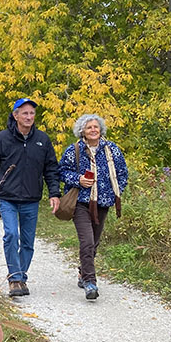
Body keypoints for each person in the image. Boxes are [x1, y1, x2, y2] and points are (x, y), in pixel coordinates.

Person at [0, 98, 61, 298]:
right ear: (15, 115)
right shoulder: (2, 139)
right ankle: (15, 279)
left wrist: (54, 193)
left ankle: (21, 277)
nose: (29, 117)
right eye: (24, 113)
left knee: (27, 241)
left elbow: (51, 168)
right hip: (7, 197)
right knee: (11, 235)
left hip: (31, 199)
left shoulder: (42, 140)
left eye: (32, 113)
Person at [58, 114, 129, 301]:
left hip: (103, 202)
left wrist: (116, 191)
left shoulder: (111, 149)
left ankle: (83, 272)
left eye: (96, 127)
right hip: (80, 202)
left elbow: (122, 173)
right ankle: (90, 282)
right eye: (89, 127)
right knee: (87, 241)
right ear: (82, 131)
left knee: (94, 242)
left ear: (101, 129)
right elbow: (62, 171)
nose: (93, 130)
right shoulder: (74, 150)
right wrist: (78, 179)